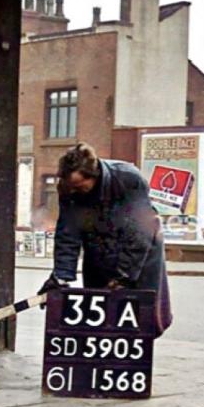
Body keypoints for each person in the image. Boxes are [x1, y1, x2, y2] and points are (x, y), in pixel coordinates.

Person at [38, 142, 172, 337]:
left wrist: (123, 277)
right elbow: (68, 232)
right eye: (70, 187)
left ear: (93, 176)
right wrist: (61, 276)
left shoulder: (129, 179)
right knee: (101, 318)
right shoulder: (69, 189)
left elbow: (140, 232)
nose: (73, 191)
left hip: (140, 257)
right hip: (98, 252)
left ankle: (132, 361)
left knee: (140, 319)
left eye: (79, 186)